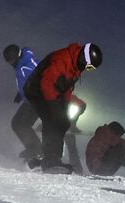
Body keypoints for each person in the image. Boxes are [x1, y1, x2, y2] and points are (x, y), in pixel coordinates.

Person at [23, 42, 101, 174]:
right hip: (37, 90)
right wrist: (54, 106)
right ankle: (51, 161)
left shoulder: (76, 67)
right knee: (53, 120)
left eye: (91, 69)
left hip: (51, 92)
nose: (88, 70)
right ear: (84, 58)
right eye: (89, 67)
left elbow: (66, 88)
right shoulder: (62, 59)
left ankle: (42, 161)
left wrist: (70, 103)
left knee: (64, 122)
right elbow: (47, 82)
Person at [3, 44, 43, 163]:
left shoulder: (27, 64)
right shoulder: (22, 63)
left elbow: (42, 77)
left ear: (17, 56)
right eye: (9, 62)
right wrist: (21, 94)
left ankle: (38, 151)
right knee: (17, 124)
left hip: (39, 99)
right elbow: (27, 80)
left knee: (21, 124)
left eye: (11, 61)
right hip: (32, 99)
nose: (11, 64)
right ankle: (35, 151)